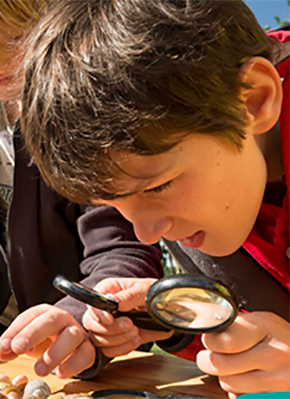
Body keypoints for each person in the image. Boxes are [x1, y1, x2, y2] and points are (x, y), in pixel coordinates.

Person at [15, 0, 288, 394]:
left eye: (157, 187)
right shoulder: (214, 177)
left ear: (254, 100)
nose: (145, 234)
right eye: (118, 206)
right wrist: (179, 316)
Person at [0, 0, 163, 379]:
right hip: (0, 342)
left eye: (18, 36)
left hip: (87, 342)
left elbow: (123, 241)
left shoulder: (93, 87)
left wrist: (78, 315)